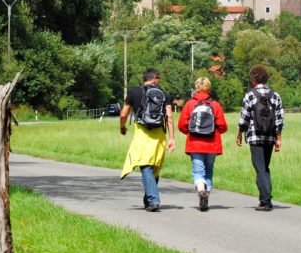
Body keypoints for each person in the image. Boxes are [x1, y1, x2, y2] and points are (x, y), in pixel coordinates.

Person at [120, 68, 176, 212]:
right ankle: (149, 199)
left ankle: (153, 200)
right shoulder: (164, 94)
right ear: (154, 78)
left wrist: (122, 127)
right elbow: (169, 117)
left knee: (146, 165)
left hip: (142, 133)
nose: (159, 82)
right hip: (159, 134)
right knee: (153, 167)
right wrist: (172, 138)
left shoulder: (133, 92)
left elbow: (123, 114)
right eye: (159, 79)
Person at [236, 65, 284, 211]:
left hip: (255, 137)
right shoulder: (275, 96)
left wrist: (239, 134)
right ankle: (266, 198)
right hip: (270, 137)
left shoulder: (250, 95)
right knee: (265, 167)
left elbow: (244, 118)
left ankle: (266, 201)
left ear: (254, 79)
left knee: (259, 168)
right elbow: (279, 120)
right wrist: (279, 138)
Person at [178, 77, 228, 211]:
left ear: (196, 87)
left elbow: (181, 125)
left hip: (195, 143)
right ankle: (207, 197)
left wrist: (191, 132)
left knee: (198, 171)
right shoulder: (215, 105)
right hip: (212, 144)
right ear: (208, 88)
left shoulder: (189, 104)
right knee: (209, 171)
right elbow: (223, 126)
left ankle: (201, 192)